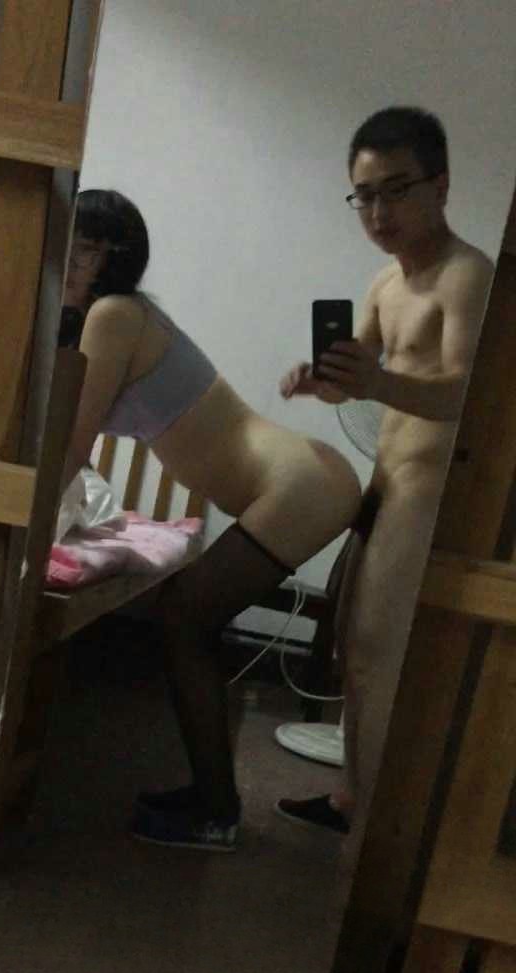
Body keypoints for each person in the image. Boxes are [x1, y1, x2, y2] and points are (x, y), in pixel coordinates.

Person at [59, 188, 361, 850]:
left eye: (84, 248)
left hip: (298, 484)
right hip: (302, 478)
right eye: (66, 243)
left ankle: (216, 810)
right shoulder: (106, 318)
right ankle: (210, 797)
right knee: (189, 620)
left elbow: (71, 447)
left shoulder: (114, 314)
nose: (68, 260)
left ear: (115, 256)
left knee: (184, 619)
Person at [275, 106, 494, 835]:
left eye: (396, 191)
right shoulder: (384, 285)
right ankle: (353, 801)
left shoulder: (467, 276)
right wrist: (322, 381)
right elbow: (360, 382)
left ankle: (377, 829)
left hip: (428, 495)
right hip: (385, 483)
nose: (378, 212)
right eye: (364, 196)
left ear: (441, 186)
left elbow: (467, 394)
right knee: (353, 645)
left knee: (381, 654)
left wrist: (375, 383)